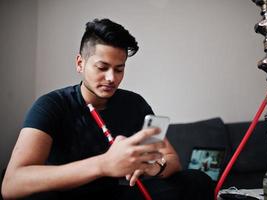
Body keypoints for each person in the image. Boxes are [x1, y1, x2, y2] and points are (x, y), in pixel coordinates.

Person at [1, 18, 213, 199]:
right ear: (80, 63)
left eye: (119, 69)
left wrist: (154, 168)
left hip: (113, 194)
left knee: (197, 180)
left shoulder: (134, 103)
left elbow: (172, 160)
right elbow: (12, 184)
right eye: (102, 68)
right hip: (64, 194)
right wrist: (104, 164)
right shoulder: (51, 105)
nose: (112, 78)